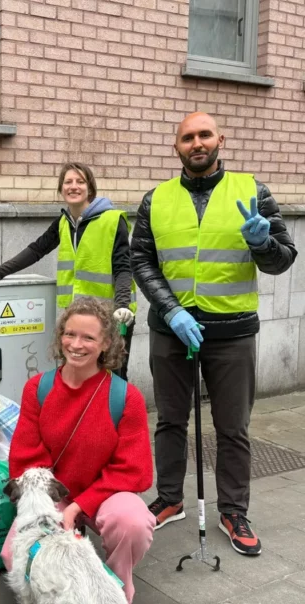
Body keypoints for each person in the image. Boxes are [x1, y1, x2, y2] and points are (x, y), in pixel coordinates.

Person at [131, 112, 297, 555]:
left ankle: (233, 510)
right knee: (169, 420)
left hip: (232, 333)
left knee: (233, 427)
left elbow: (283, 259)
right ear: (177, 147)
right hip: (172, 331)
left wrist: (262, 243)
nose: (197, 143)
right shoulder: (156, 200)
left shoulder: (252, 191)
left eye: (204, 135)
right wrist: (171, 311)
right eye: (188, 137)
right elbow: (141, 260)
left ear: (220, 139)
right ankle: (169, 499)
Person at [3, 298, 154, 604]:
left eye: (88, 337)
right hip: (53, 495)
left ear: (106, 343)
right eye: (69, 334)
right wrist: (57, 506)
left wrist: (78, 507)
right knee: (10, 555)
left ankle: (114, 587)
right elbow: (26, 458)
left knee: (133, 523)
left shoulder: (126, 397)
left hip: (105, 496)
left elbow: (133, 470)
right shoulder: (38, 388)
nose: (76, 344)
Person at [0, 163, 137, 379]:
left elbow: (123, 267)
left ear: (90, 188)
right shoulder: (64, 222)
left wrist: (123, 305)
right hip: (78, 316)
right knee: (79, 376)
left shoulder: (112, 220)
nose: (73, 186)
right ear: (61, 189)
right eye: (68, 182)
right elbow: (36, 250)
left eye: (80, 181)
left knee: (111, 379)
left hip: (111, 316)